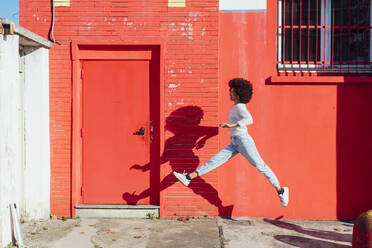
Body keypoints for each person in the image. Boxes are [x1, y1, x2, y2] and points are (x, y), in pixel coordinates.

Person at [173, 78, 289, 207]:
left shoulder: (240, 107)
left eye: (232, 91)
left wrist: (231, 125)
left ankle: (281, 190)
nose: (230, 92)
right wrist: (204, 139)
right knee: (215, 160)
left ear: (239, 94)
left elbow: (249, 119)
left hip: (243, 141)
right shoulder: (235, 106)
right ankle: (188, 178)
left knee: (260, 165)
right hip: (235, 142)